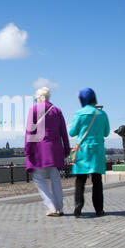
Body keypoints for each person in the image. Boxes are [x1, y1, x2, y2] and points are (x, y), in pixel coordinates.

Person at [24, 87, 70, 216]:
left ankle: (51, 207)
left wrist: (27, 149)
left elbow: (29, 132)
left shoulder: (33, 110)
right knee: (55, 178)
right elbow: (63, 133)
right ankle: (59, 208)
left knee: (39, 178)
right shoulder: (57, 111)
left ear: (39, 98)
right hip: (55, 150)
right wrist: (66, 149)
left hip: (39, 151)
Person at [69, 88, 110, 218]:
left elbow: (72, 132)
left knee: (80, 179)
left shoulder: (79, 113)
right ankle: (99, 209)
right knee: (97, 180)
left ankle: (78, 205)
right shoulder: (102, 114)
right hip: (97, 149)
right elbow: (106, 132)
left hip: (82, 150)